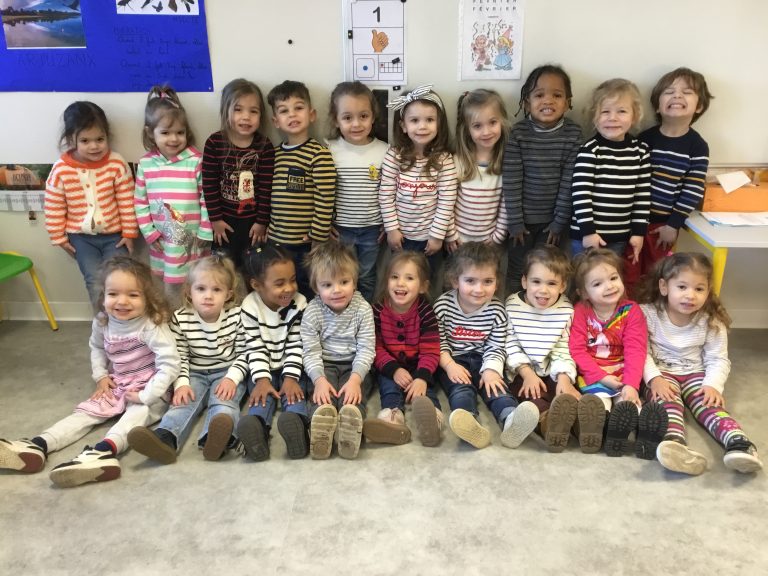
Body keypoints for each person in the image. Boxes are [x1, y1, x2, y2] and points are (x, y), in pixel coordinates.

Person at [0, 257, 179, 487]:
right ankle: (39, 444)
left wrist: (146, 395)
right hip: (118, 383)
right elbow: (96, 347)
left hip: (150, 386)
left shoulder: (151, 326)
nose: (122, 301)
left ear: (149, 298)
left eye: (133, 295)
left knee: (136, 415)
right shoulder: (103, 321)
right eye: (113, 294)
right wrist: (101, 376)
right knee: (86, 412)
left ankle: (104, 452)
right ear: (103, 296)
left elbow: (170, 363)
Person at [637, 252, 762, 475]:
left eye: (699, 289)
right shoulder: (647, 314)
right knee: (667, 404)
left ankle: (739, 444)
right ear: (664, 287)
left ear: (708, 291)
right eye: (682, 287)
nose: (690, 295)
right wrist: (654, 380)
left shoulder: (711, 321)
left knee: (710, 405)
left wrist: (712, 385)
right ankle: (675, 444)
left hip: (695, 373)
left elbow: (718, 358)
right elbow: (641, 353)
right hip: (661, 374)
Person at [127, 255, 248, 464]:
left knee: (225, 402)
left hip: (227, 371)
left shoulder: (237, 316)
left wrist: (232, 378)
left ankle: (217, 439)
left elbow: (245, 353)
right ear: (189, 292)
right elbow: (179, 355)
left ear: (228, 294)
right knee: (182, 403)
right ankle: (165, 437)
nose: (208, 296)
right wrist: (181, 384)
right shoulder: (181, 318)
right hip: (195, 372)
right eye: (201, 289)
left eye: (216, 290)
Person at [435, 242, 539, 449]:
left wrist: (491, 370)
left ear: (497, 283)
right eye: (470, 281)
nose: (479, 289)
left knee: (497, 389)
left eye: (487, 281)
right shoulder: (443, 306)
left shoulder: (497, 310)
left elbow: (496, 345)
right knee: (461, 390)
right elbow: (438, 342)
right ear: (455, 281)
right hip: (454, 360)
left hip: (485, 359)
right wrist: (449, 366)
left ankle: (510, 419)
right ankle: (469, 423)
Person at [569, 248, 668, 458]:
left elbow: (636, 350)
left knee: (628, 404)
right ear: (584, 292)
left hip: (624, 373)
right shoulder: (581, 311)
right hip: (594, 375)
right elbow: (577, 351)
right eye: (598, 284)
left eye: (613, 278)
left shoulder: (631, 311)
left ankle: (641, 432)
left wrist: (631, 385)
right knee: (597, 404)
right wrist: (602, 378)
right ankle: (604, 428)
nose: (609, 286)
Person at [506, 246, 604, 453]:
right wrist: (527, 373)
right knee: (533, 398)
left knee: (568, 396)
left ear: (563, 286)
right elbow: (510, 344)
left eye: (551, 283)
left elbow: (563, 348)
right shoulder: (512, 305)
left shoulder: (566, 309)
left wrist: (564, 378)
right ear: (524, 281)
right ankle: (548, 425)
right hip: (522, 373)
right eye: (536, 282)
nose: (543, 290)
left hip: (552, 370)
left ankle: (582, 428)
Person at [624, 68, 714, 296]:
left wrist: (673, 225)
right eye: (669, 91)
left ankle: (653, 310)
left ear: (699, 106)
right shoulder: (644, 139)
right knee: (629, 272)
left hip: (663, 226)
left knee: (658, 274)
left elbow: (692, 189)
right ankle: (631, 312)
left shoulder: (697, 146)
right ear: (657, 105)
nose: (677, 96)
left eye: (687, 92)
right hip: (632, 222)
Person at [44, 101, 137, 309]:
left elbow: (127, 199)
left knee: (120, 279)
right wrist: (58, 237)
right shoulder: (61, 170)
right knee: (94, 281)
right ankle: (102, 321)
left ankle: (122, 321)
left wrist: (129, 232)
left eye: (100, 139)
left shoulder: (116, 163)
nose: (94, 146)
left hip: (115, 237)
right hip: (81, 239)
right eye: (85, 140)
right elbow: (53, 205)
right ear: (71, 140)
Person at [503, 65, 583, 294]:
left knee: (548, 272)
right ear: (527, 103)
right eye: (539, 95)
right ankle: (513, 308)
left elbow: (569, 183)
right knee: (518, 270)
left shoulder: (573, 134)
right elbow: (511, 180)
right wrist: (515, 222)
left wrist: (558, 223)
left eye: (556, 95)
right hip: (521, 224)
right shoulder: (518, 133)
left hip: (553, 224)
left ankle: (545, 311)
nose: (548, 101)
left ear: (568, 102)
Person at [134, 85, 213, 307]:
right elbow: (140, 202)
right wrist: (150, 233)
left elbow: (206, 198)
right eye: (165, 133)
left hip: (193, 240)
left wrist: (205, 231)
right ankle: (173, 319)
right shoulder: (146, 164)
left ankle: (197, 316)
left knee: (198, 280)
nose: (174, 139)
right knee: (170, 287)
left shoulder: (196, 161)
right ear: (150, 133)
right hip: (163, 240)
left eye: (180, 132)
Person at [379, 84, 457, 295]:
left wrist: (438, 236)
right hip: (401, 238)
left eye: (429, 120)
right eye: (414, 120)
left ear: (439, 123)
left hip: (430, 239)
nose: (422, 126)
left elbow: (447, 201)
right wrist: (392, 229)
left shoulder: (444, 160)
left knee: (426, 283)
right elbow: (385, 195)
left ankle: (425, 313)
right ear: (403, 126)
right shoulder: (394, 156)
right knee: (402, 283)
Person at [301, 241, 375, 460]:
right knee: (323, 398)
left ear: (354, 282)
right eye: (327, 285)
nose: (337, 290)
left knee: (352, 399)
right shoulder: (312, 311)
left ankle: (350, 427)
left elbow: (366, 348)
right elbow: (311, 351)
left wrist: (355, 380)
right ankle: (320, 429)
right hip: (325, 365)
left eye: (344, 282)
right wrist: (319, 380)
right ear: (316, 288)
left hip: (354, 366)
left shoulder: (363, 309)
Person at [362, 251, 443, 447]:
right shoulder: (377, 311)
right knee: (389, 389)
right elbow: (375, 347)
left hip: (419, 366)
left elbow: (431, 350)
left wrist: (421, 378)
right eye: (394, 277)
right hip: (389, 367)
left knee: (425, 393)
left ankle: (433, 420)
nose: (400, 283)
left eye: (409, 278)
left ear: (423, 286)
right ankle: (392, 418)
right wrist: (394, 369)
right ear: (386, 281)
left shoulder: (426, 312)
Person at [236, 244, 309, 461]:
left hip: (292, 365)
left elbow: (297, 343)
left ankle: (297, 427)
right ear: (257, 285)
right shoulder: (249, 306)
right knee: (260, 398)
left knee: (295, 395)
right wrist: (262, 379)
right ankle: (257, 429)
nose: (289, 288)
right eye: (279, 283)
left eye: (292, 280)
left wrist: (290, 377)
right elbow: (254, 345)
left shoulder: (300, 303)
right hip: (262, 366)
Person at [266, 80, 337, 299]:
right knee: (280, 288)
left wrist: (318, 236)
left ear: (311, 114)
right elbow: (269, 195)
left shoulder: (319, 154)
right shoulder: (273, 154)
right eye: (284, 111)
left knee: (306, 289)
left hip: (306, 243)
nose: (292, 114)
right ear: (276, 121)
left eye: (298, 108)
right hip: (276, 240)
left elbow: (325, 198)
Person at [569, 79, 651, 265]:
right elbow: (580, 194)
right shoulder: (590, 150)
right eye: (605, 111)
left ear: (634, 116)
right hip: (586, 236)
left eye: (621, 111)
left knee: (610, 277)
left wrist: (638, 232)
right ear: (594, 116)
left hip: (620, 237)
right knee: (583, 278)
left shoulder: (641, 151)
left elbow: (642, 196)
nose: (612, 118)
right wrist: (588, 232)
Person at [326, 81, 389, 301]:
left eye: (363, 116)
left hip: (372, 229)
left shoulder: (385, 151)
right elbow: (322, 191)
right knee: (342, 276)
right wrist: (325, 223)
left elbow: (390, 192)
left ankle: (366, 315)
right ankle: (344, 313)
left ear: (373, 117)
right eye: (347, 117)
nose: (356, 124)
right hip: (340, 229)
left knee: (367, 276)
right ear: (336, 119)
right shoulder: (329, 149)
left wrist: (388, 223)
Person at [202, 79, 275, 268]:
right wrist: (216, 219)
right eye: (238, 109)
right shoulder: (214, 143)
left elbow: (266, 188)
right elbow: (209, 185)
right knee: (224, 269)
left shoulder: (264, 146)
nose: (246, 117)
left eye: (253, 111)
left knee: (253, 268)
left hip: (253, 225)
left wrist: (262, 222)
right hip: (224, 223)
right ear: (225, 111)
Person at [446, 89, 509, 255]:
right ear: (467, 129)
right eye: (477, 126)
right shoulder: (457, 161)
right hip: (458, 240)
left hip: (489, 241)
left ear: (502, 122)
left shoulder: (507, 162)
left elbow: (506, 204)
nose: (486, 132)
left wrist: (498, 236)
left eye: (492, 122)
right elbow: (447, 201)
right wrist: (451, 234)